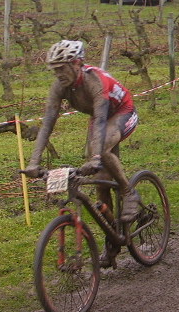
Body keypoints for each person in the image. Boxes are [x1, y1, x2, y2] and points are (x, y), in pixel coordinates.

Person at [23, 40, 140, 267]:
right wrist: (33, 163)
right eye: (54, 70)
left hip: (121, 111)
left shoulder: (95, 82)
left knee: (100, 152)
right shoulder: (60, 87)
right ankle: (113, 241)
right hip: (100, 121)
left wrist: (96, 157)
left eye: (62, 68)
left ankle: (129, 192)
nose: (58, 74)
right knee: (101, 185)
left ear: (77, 64)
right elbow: (47, 124)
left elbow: (101, 118)